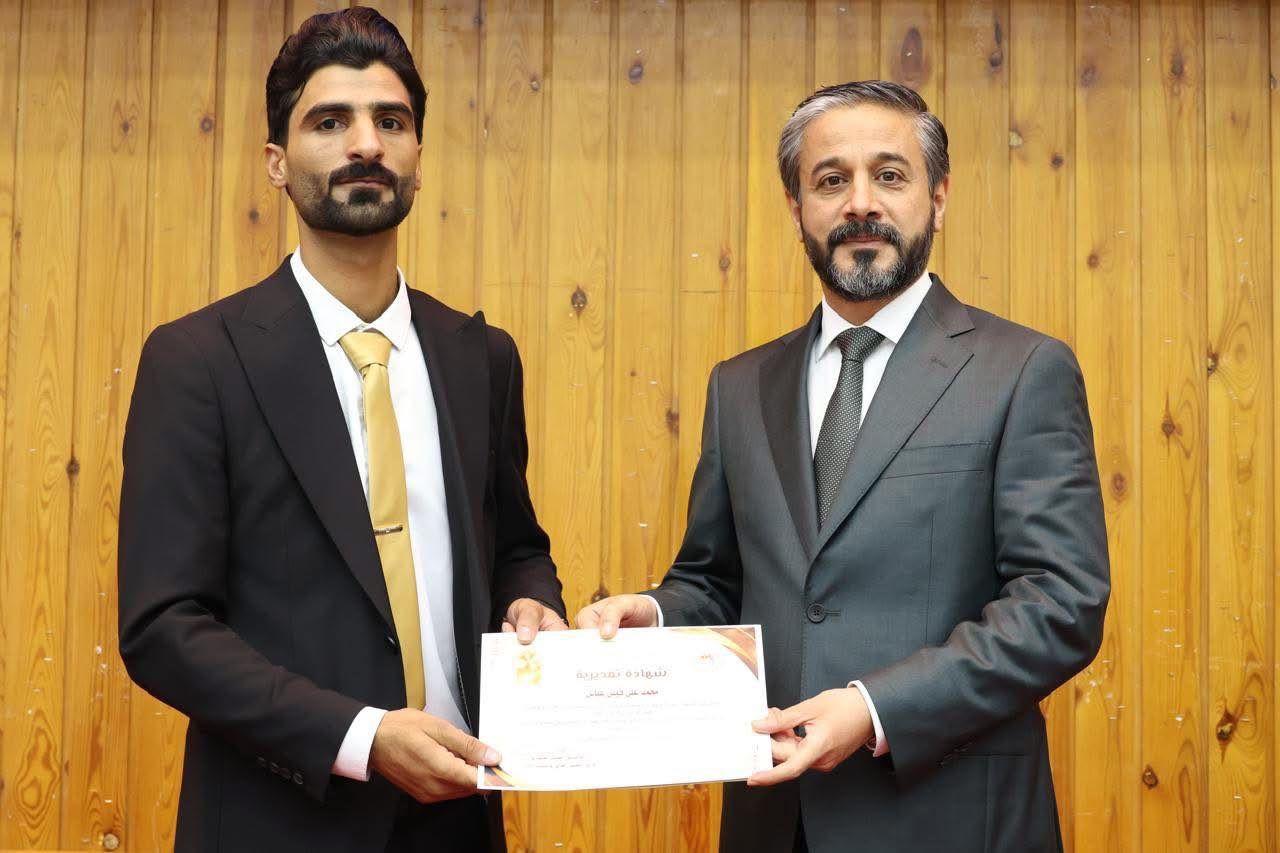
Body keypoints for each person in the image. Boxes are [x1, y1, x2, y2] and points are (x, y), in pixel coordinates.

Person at [578, 81, 1109, 852]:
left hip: (954, 820)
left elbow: (1059, 602)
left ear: (938, 197)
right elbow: (716, 580)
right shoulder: (740, 386)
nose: (861, 203)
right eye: (831, 180)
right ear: (797, 207)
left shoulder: (1023, 370)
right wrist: (654, 617)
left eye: (889, 175)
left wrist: (873, 707)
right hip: (772, 821)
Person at [118, 9, 564, 851]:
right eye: (330, 122)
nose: (366, 144)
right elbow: (164, 626)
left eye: (390, 121)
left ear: (418, 158)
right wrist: (361, 736)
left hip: (461, 817)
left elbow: (515, 545)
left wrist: (532, 599)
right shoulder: (197, 360)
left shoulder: (482, 357)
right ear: (276, 163)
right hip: (276, 821)